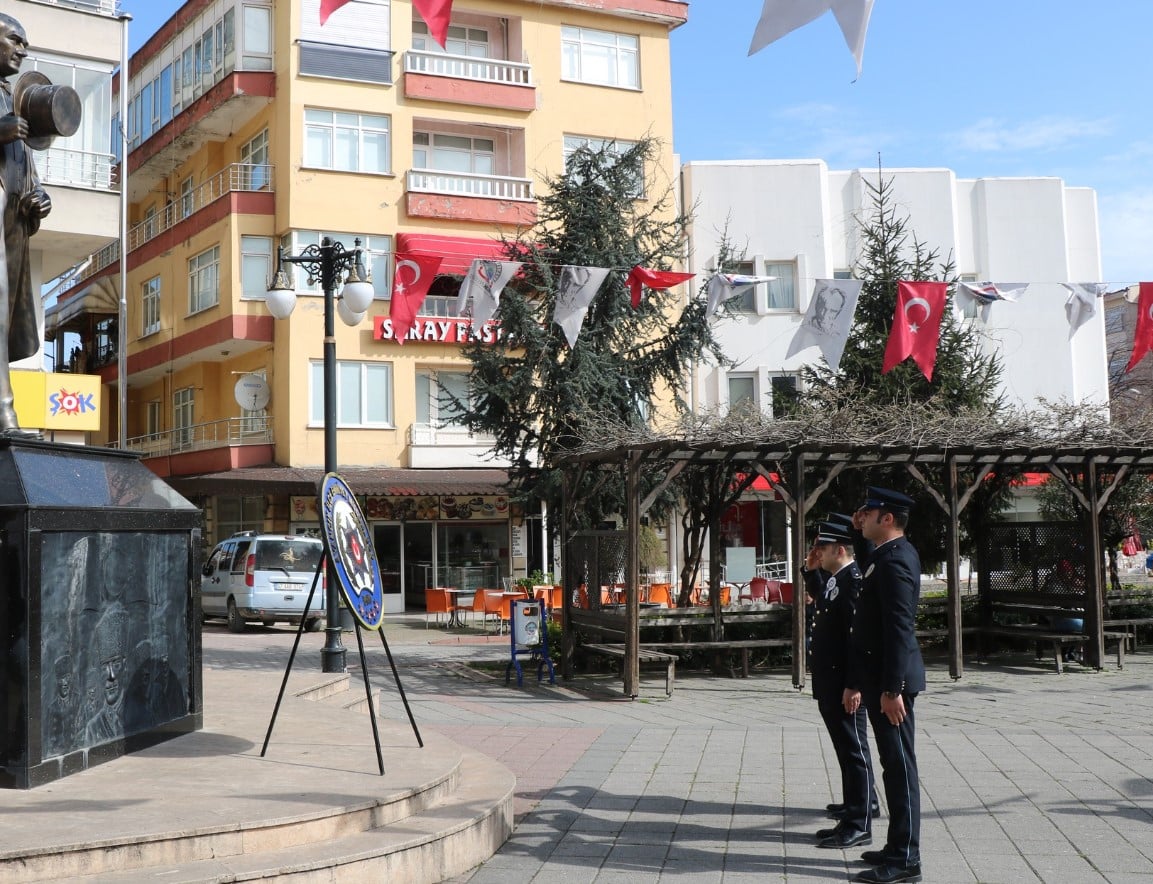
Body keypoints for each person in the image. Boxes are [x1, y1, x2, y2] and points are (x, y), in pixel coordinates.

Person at [845, 487, 925, 884]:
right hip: (881, 680)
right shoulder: (883, 556)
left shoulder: (895, 561)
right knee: (892, 766)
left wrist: (893, 689)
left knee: (900, 767)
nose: (863, 517)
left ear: (887, 518)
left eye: (869, 512)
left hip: (893, 684)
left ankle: (907, 859)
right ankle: (897, 846)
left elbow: (897, 628)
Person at [805, 520, 879, 850]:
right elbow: (824, 603)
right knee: (846, 749)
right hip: (831, 679)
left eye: (823, 547)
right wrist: (812, 574)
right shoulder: (838, 580)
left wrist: (854, 683)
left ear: (841, 550)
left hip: (843, 683)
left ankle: (859, 820)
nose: (816, 551)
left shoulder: (852, 581)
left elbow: (856, 638)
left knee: (853, 750)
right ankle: (856, 807)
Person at [0, 13, 51, 433]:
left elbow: (23, 169)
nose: (22, 48)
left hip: (11, 228)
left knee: (3, 316)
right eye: (14, 39)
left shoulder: (15, 103)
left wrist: (38, 199)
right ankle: (4, 409)